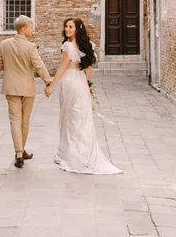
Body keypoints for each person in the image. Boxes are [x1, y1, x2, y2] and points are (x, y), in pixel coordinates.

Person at [45, 18, 122, 175]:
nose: (67, 29)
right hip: (80, 83)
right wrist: (88, 85)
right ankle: (82, 153)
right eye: (66, 26)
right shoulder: (87, 45)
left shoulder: (67, 46)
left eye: (70, 27)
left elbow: (62, 68)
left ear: (77, 29)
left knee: (70, 118)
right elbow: (88, 69)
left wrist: (51, 85)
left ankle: (73, 156)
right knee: (81, 118)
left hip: (70, 83)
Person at [0, 15, 51, 168]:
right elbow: (39, 65)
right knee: (24, 121)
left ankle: (19, 152)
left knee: (15, 120)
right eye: (31, 27)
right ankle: (21, 152)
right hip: (27, 87)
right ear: (23, 28)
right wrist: (48, 81)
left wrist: (10, 68)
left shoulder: (4, 44)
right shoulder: (30, 47)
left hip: (10, 86)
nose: (33, 30)